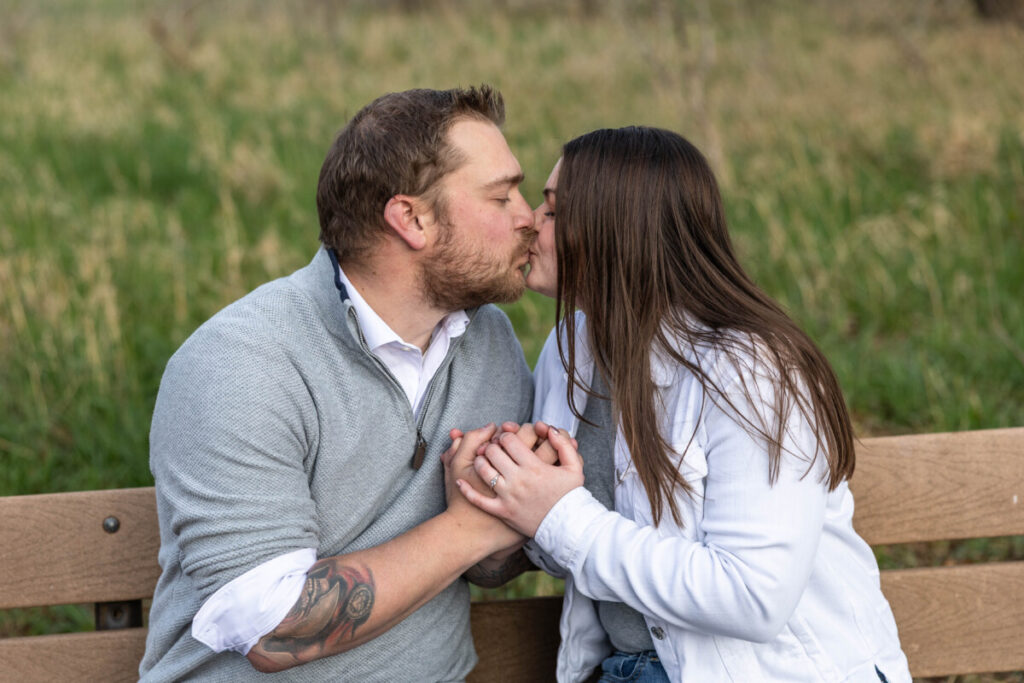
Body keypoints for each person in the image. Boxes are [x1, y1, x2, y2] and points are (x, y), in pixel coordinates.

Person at [453, 127, 912, 682]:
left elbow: (753, 596)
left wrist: (556, 514)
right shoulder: (570, 348)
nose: (529, 221)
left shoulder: (750, 371)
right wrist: (497, 498)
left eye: (553, 211)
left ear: (615, 231)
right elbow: (574, 537)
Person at [141, 86, 544, 681]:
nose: (528, 217)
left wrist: (514, 504)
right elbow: (273, 628)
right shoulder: (241, 363)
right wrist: (469, 526)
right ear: (412, 219)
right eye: (502, 196)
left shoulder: (488, 342)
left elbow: (487, 567)